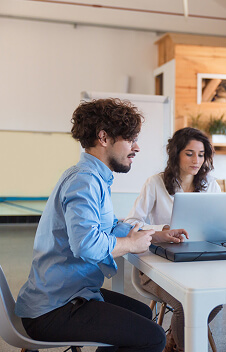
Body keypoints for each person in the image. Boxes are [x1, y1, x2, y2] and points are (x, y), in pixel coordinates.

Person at [15, 98, 187, 352]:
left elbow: (106, 227)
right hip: (54, 308)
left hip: (66, 295)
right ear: (104, 138)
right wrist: (129, 244)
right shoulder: (84, 181)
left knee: (142, 313)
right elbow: (86, 245)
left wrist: (155, 235)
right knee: (153, 338)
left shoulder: (91, 176)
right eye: (130, 139)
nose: (137, 147)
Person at [124, 127, 222, 352]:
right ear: (176, 153)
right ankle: (181, 347)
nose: (196, 160)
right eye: (189, 153)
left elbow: (217, 223)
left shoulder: (210, 185)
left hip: (198, 263)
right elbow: (131, 222)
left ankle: (174, 341)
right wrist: (162, 229)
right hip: (158, 264)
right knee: (183, 304)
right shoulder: (155, 183)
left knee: (216, 300)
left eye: (201, 154)